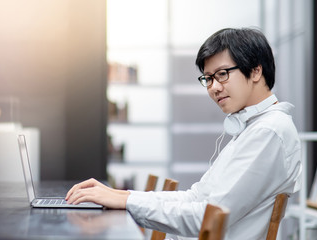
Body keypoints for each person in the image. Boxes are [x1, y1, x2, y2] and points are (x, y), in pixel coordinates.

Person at [65, 28, 302, 240]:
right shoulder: (252, 128)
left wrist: (126, 201)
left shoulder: (268, 132)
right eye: (208, 79)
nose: (214, 88)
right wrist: (120, 195)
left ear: (256, 71)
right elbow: (195, 197)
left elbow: (208, 218)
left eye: (222, 74)